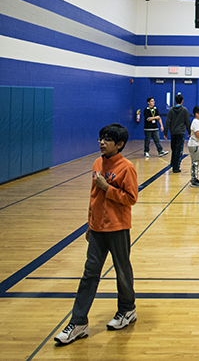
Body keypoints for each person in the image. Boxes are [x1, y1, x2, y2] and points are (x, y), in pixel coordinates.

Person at [54, 124, 138, 345]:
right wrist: (90, 222)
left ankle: (127, 309)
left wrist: (106, 187)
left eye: (108, 139)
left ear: (119, 144)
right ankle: (79, 321)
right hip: (98, 229)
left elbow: (131, 198)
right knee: (89, 274)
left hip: (118, 227)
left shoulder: (126, 167)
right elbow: (93, 196)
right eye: (101, 138)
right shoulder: (97, 163)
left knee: (122, 270)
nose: (102, 142)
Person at [163, 94, 191, 173]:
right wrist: (189, 131)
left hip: (173, 132)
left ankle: (173, 163)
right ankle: (176, 167)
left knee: (174, 149)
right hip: (180, 132)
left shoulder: (171, 110)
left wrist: (165, 133)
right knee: (178, 150)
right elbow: (187, 122)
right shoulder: (184, 110)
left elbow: (167, 122)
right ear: (182, 101)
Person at [187, 106, 199, 188]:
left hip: (198, 145)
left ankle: (195, 178)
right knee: (195, 163)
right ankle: (194, 180)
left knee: (196, 163)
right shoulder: (196, 122)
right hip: (195, 145)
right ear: (196, 114)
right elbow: (198, 134)